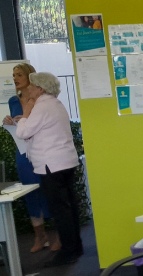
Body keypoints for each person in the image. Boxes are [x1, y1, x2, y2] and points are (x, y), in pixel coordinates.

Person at [16, 72, 84, 267]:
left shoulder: (41, 105)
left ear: (40, 88)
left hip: (51, 165)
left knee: (60, 210)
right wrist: (27, 117)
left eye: (32, 86)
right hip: (65, 162)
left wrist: (26, 114)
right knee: (69, 208)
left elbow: (23, 132)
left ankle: (68, 252)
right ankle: (75, 247)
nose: (28, 89)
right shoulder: (55, 103)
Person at [2, 63, 60, 253]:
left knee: (49, 190)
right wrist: (9, 122)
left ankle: (57, 235)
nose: (15, 78)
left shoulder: (41, 99)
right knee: (30, 193)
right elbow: (19, 126)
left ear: (30, 76)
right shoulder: (13, 100)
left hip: (43, 150)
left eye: (19, 74)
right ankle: (39, 236)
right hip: (23, 152)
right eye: (14, 75)